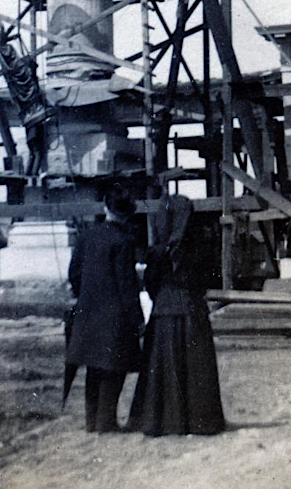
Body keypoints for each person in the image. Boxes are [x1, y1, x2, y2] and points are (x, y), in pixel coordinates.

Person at [128, 194, 225, 436]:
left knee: (162, 370)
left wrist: (162, 298)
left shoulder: (156, 252)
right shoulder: (198, 249)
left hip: (163, 313)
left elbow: (150, 283)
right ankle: (199, 422)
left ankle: (163, 421)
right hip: (192, 311)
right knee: (195, 369)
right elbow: (209, 278)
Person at [66, 184, 143, 432]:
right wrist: (137, 318)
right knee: (114, 369)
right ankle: (105, 422)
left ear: (105, 207)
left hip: (88, 312)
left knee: (93, 367)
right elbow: (127, 285)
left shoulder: (86, 236)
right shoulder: (124, 241)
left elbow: (74, 274)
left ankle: (91, 422)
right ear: (128, 212)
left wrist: (87, 296)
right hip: (115, 315)